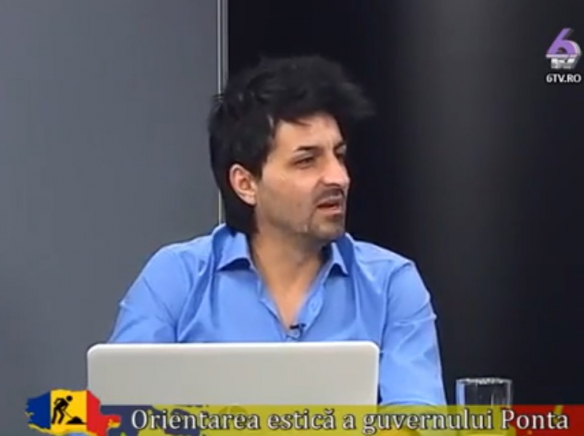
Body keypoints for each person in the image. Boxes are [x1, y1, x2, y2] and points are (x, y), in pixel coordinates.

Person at [108, 55, 446, 405]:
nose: (339, 178)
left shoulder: (391, 284)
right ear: (245, 184)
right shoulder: (176, 278)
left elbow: (417, 416)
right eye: (306, 161)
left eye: (339, 155)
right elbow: (105, 417)